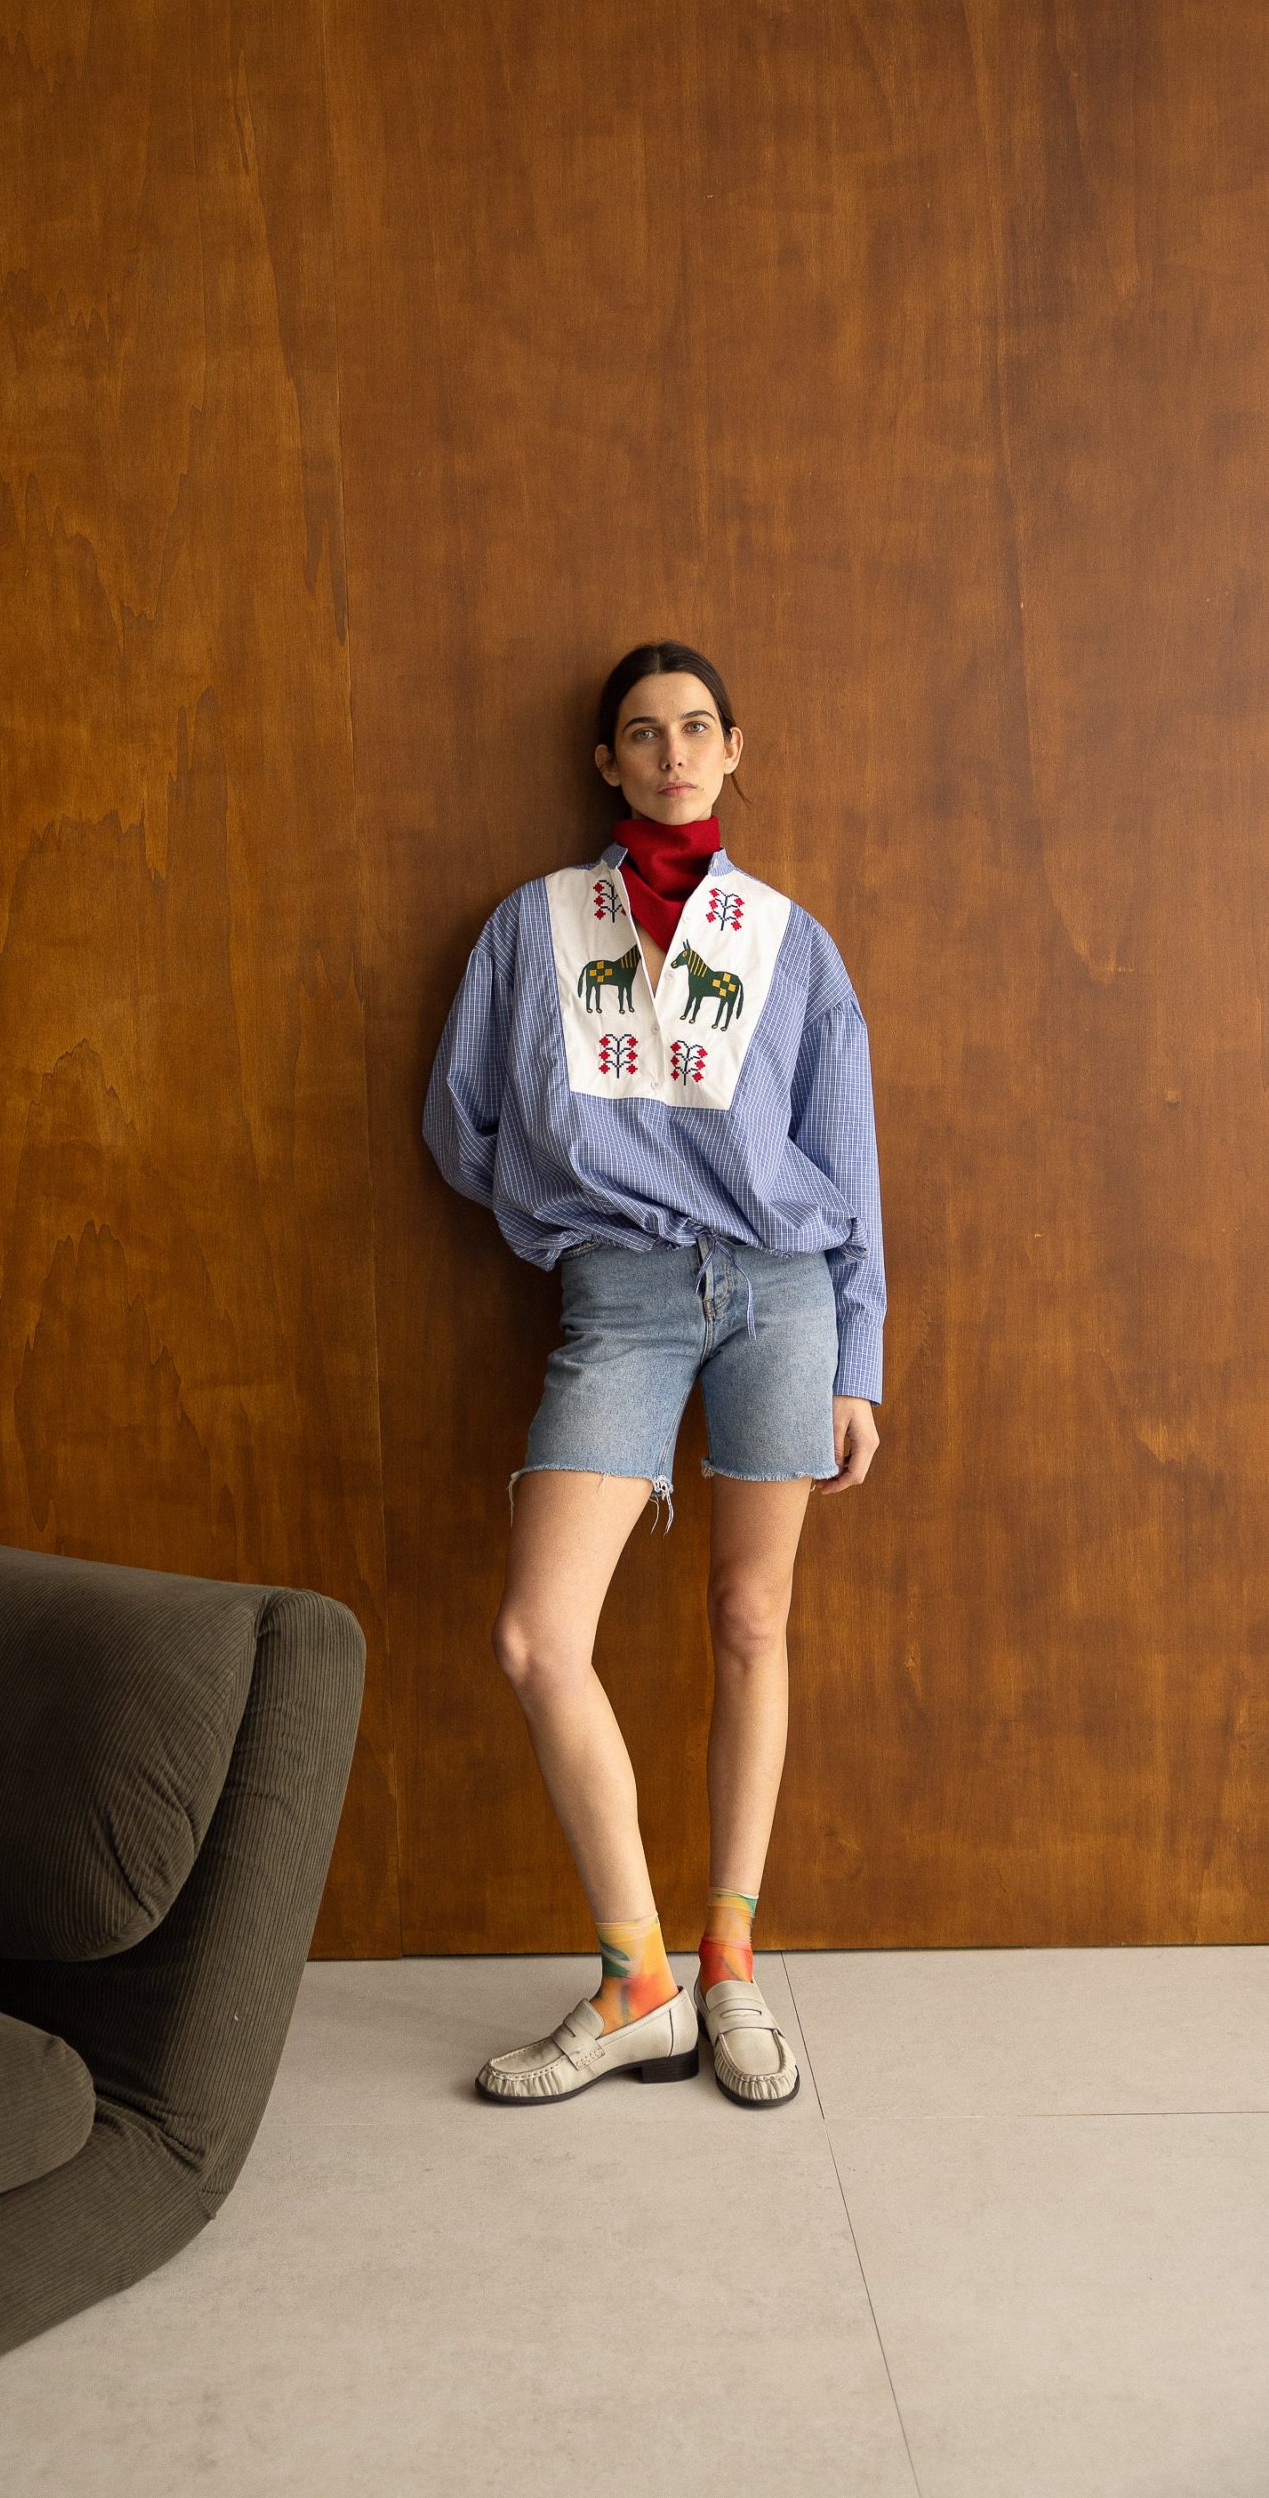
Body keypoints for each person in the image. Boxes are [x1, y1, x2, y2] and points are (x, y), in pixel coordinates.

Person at [421, 640, 885, 2108]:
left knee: (753, 1618)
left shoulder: (790, 941)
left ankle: (728, 1963)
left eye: (696, 728)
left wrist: (859, 1357)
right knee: (536, 1637)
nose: (673, 753)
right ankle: (638, 1984)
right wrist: (566, 1211)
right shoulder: (537, 925)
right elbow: (459, 1121)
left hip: (781, 1295)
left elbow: (850, 1164)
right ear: (605, 762)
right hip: (618, 1302)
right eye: (642, 731)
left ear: (734, 749)